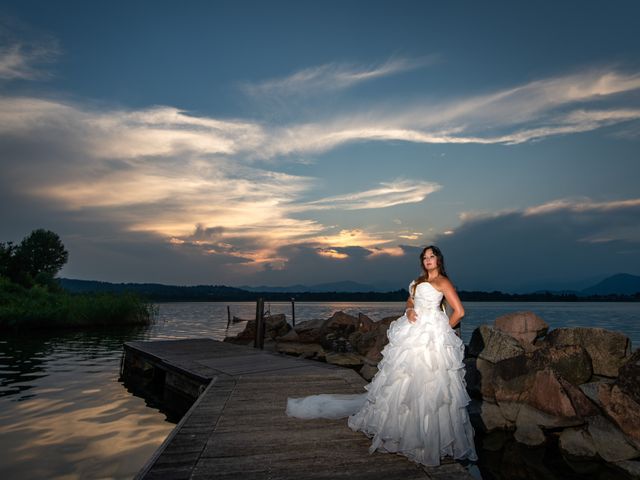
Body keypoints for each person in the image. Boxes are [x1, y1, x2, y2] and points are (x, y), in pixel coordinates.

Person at [286, 245, 477, 467]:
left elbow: (459, 312)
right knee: (403, 378)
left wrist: (442, 331)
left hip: (432, 337)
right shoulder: (417, 281)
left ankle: (430, 436)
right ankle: (400, 429)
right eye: (425, 257)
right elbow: (410, 300)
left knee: (431, 382)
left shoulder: (443, 282)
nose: (428, 260)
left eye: (431, 256)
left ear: (439, 259)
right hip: (413, 333)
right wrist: (409, 311)